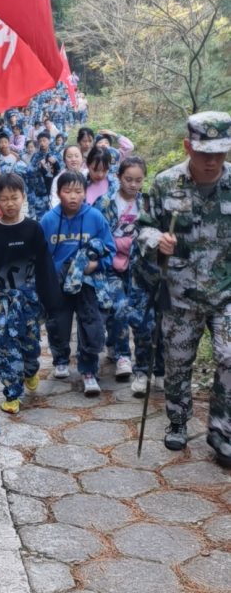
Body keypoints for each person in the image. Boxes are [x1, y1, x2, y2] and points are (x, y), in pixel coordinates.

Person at [137, 111, 231, 465]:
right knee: (177, 363)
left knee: (230, 357)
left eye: (220, 152)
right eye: (204, 151)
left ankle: (222, 430)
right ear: (188, 146)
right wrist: (156, 239)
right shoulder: (165, 184)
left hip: (225, 292)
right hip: (179, 294)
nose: (212, 160)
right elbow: (142, 228)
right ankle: (178, 420)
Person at [0, 173, 59, 414]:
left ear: (23, 197)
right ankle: (12, 393)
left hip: (28, 302)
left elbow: (45, 265)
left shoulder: (33, 229)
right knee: (2, 348)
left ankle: (30, 369)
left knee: (30, 346)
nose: (10, 203)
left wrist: (51, 299)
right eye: (4, 199)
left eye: (14, 197)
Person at [40, 170, 115, 397]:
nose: (73, 196)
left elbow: (109, 250)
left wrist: (95, 265)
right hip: (59, 283)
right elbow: (41, 256)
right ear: (59, 193)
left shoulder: (95, 218)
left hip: (88, 282)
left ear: (85, 193)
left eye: (78, 191)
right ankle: (60, 359)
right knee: (58, 324)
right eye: (67, 191)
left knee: (91, 325)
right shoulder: (49, 220)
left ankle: (89, 370)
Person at [93, 156, 164, 393]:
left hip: (141, 268)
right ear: (119, 177)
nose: (133, 185)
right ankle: (123, 354)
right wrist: (118, 244)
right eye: (128, 179)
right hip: (111, 266)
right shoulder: (105, 203)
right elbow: (96, 234)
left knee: (143, 317)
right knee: (119, 307)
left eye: (138, 180)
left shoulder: (147, 204)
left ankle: (149, 366)